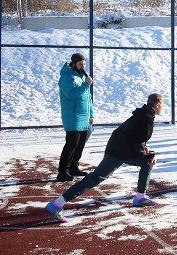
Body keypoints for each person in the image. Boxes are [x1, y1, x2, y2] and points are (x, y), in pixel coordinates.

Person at [45, 93, 164, 222]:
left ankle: (140, 196)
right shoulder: (147, 117)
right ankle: (57, 204)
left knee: (148, 162)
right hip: (119, 151)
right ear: (157, 105)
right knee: (95, 178)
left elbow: (136, 140)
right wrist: (149, 154)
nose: (162, 108)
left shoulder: (143, 113)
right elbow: (138, 142)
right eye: (162, 105)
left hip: (121, 149)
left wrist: (148, 153)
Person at [57, 53, 95, 182]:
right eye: (80, 64)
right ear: (73, 64)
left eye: (84, 64)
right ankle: (62, 171)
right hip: (73, 116)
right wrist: (86, 85)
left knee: (80, 144)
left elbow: (88, 98)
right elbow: (71, 94)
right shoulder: (66, 78)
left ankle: (74, 167)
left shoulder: (81, 77)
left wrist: (91, 114)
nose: (82, 66)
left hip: (84, 116)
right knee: (71, 144)